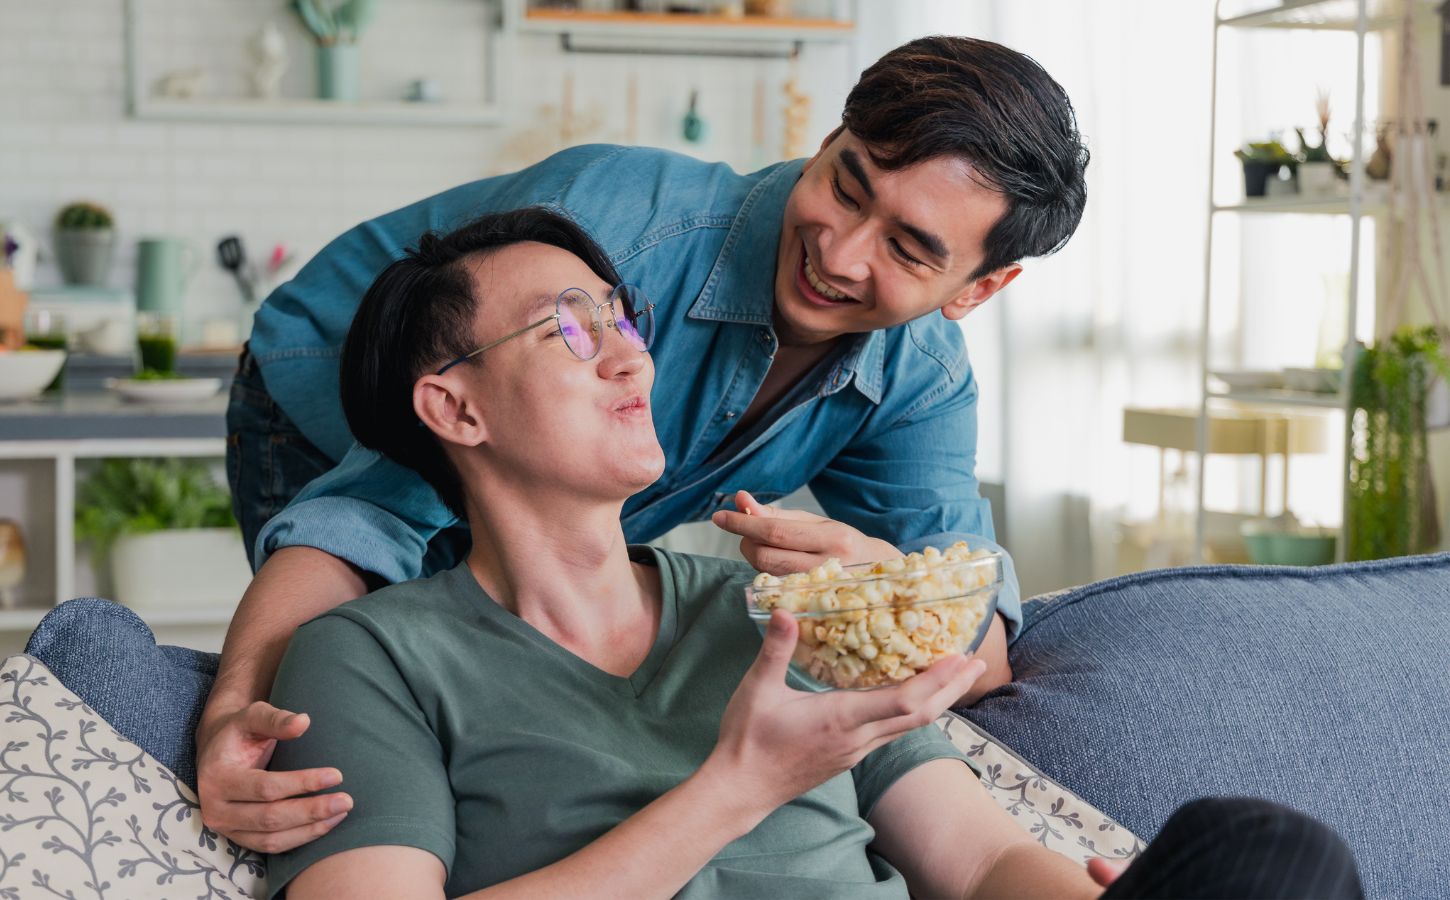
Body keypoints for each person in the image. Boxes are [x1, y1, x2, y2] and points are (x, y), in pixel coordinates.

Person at [265, 209, 1364, 899]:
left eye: (620, 315)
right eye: (567, 327)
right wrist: (738, 786)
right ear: (453, 409)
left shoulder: (773, 608)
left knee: (1268, 856)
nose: (624, 355)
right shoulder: (368, 658)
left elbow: (978, 861)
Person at [201, 35, 1090, 850]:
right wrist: (238, 706)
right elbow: (361, 520)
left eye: (906, 248)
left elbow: (976, 638)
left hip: (529, 488)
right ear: (827, 139)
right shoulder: (615, 250)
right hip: (319, 401)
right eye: (847, 186)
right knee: (391, 684)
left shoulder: (921, 375)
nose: (841, 251)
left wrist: (883, 593)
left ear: (981, 286)